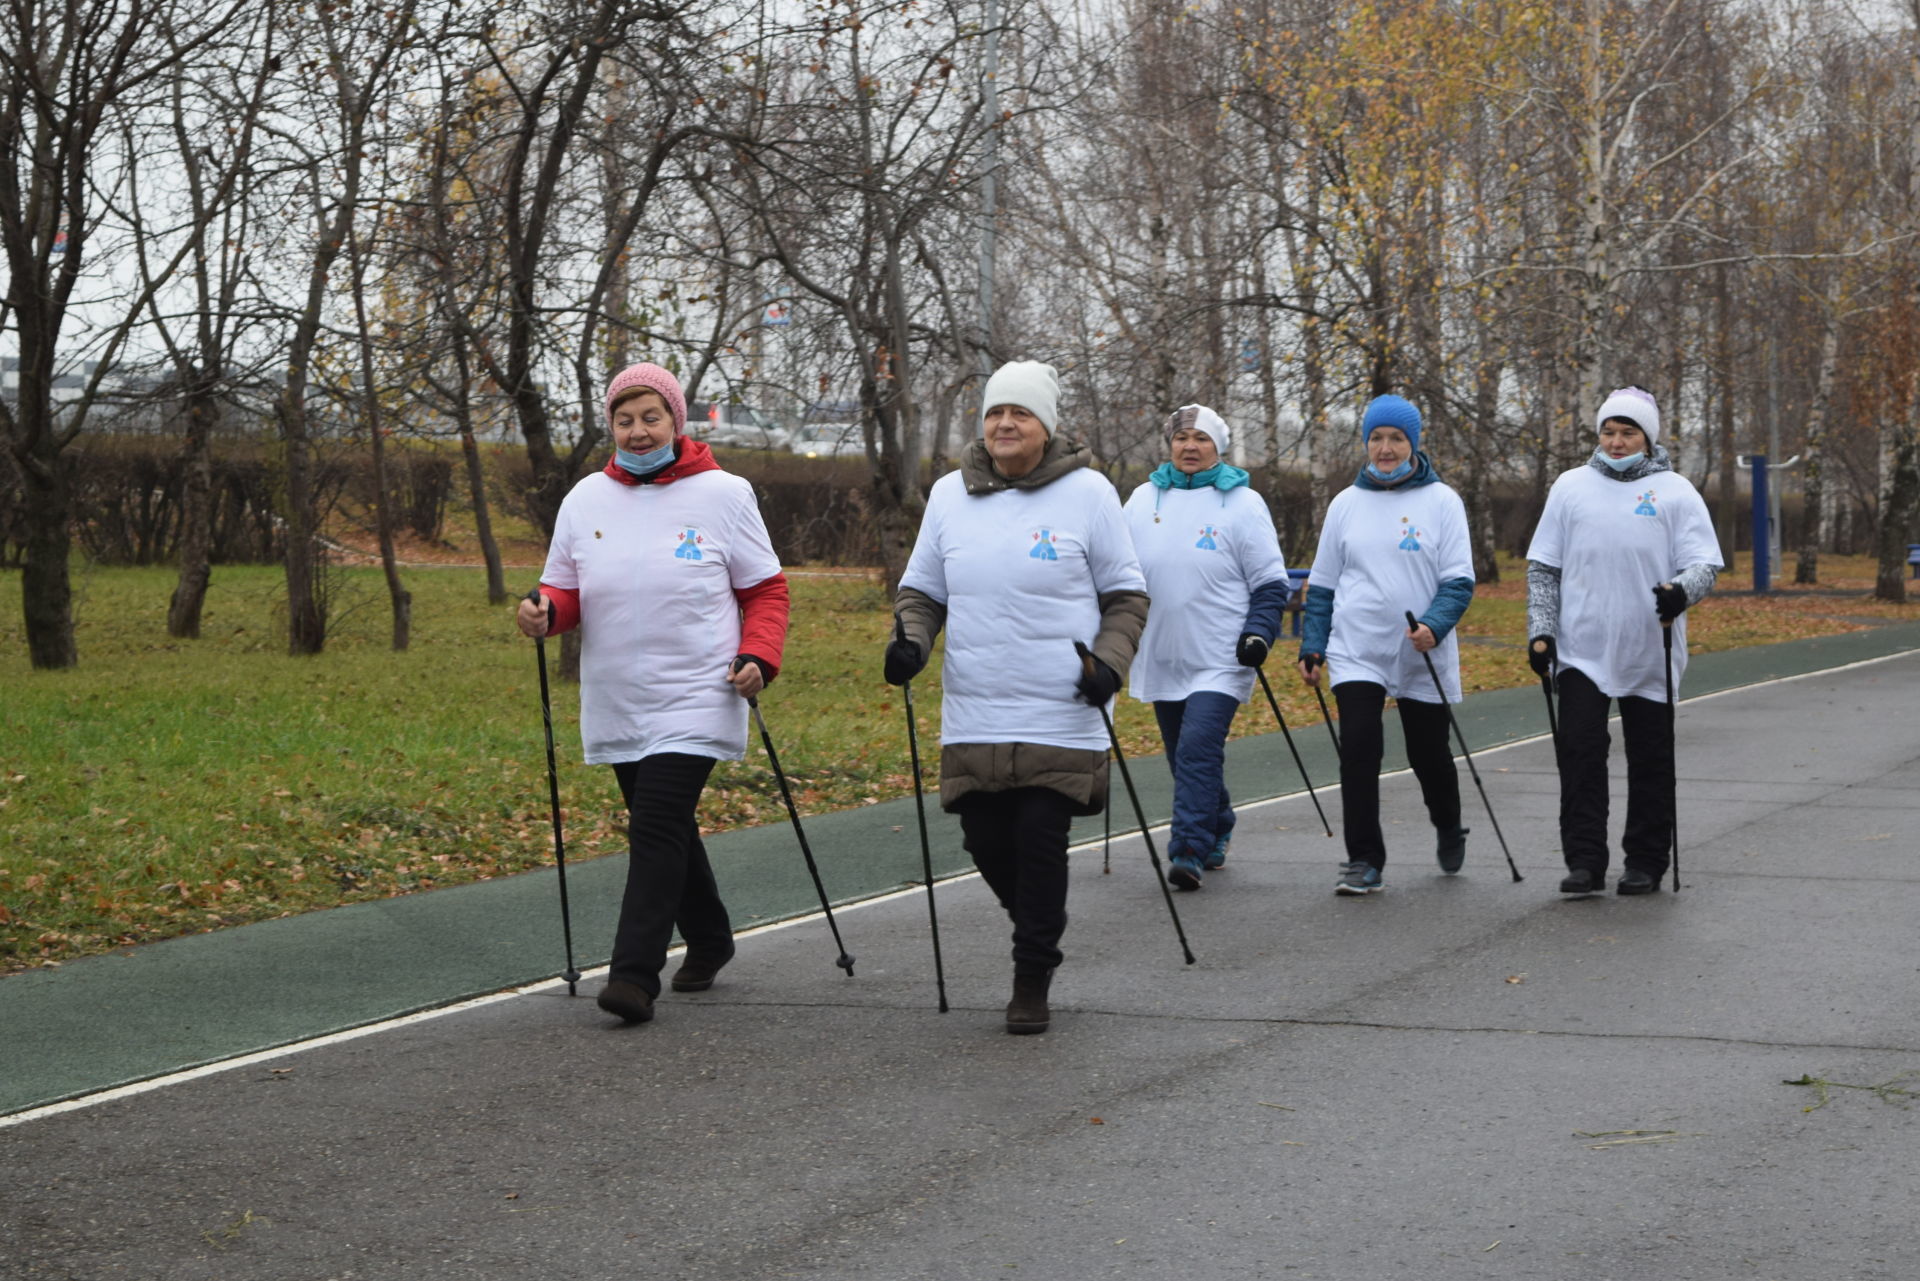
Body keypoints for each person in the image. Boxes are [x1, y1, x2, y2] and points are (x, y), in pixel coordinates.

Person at [517, 362, 790, 1023]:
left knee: (656, 822)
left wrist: (760, 655)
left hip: (700, 686)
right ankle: (712, 935)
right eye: (624, 419)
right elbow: (565, 590)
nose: (638, 432)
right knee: (665, 823)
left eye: (651, 417)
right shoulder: (585, 500)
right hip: (619, 693)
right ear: (610, 425)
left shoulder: (725, 493)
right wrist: (544, 612)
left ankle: (634, 975)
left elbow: (765, 591)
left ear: (676, 420)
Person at [883, 360, 1148, 1035]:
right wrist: (912, 642)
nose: (1005, 423)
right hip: (976, 702)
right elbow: (922, 591)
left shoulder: (1089, 493)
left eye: (1020, 413)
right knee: (985, 838)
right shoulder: (949, 495)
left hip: (1062, 702)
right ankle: (1040, 922)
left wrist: (1110, 666)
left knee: (1038, 835)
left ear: (1046, 426)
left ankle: (1032, 974)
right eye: (996, 412)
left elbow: (1126, 598)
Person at [1526, 385, 1720, 896]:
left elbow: (1704, 564)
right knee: (1581, 751)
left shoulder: (1675, 491)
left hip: (1647, 647)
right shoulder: (1570, 487)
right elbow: (1544, 567)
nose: (1615, 442)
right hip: (1582, 649)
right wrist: (1541, 630)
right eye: (1608, 431)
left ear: (1647, 439)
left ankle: (1647, 860)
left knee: (1650, 758)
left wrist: (1682, 592)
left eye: (1627, 432)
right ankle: (1585, 861)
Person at [1297, 394, 1475, 895]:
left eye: (1396, 438)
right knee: (1358, 748)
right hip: (1358, 648)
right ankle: (1364, 859)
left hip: (1422, 650)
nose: (1385, 448)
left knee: (1428, 756)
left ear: (1414, 444)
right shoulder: (1346, 505)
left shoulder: (1442, 501)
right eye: (1376, 437)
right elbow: (1324, 584)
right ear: (1366, 443)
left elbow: (1459, 581)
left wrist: (1434, 627)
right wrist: (1313, 645)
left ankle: (1447, 821)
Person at [1122, 405, 1291, 891]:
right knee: (1183, 755)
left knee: (1198, 747)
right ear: (1169, 445)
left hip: (1221, 654)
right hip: (1162, 651)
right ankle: (1219, 822)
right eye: (1181, 438)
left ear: (1218, 447)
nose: (1189, 447)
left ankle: (1188, 851)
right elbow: (1112, 567)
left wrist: (1259, 632)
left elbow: (1270, 584)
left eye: (1200, 439)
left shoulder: (1242, 503)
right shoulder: (1141, 499)